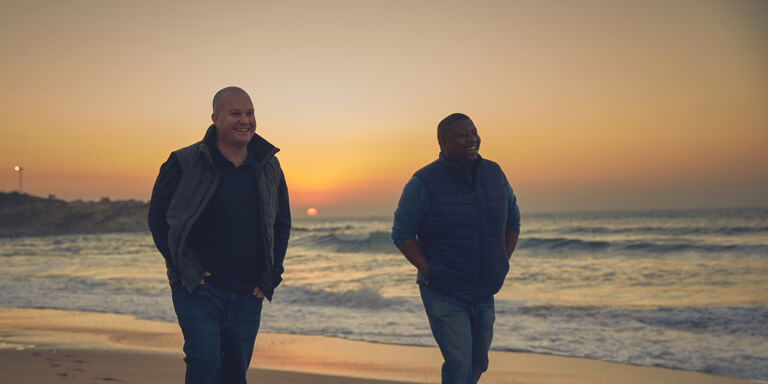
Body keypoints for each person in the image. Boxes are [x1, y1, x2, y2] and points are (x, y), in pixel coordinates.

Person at [148, 86, 291, 384]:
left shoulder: (269, 165)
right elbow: (159, 219)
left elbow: (280, 223)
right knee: (204, 359)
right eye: (235, 113)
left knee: (234, 372)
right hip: (198, 287)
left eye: (250, 113)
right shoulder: (183, 162)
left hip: (248, 291)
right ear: (215, 118)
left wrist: (271, 275)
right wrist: (185, 267)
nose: (245, 120)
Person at [392, 113, 520, 384]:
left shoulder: (494, 174)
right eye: (463, 135)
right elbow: (402, 234)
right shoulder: (423, 182)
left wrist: (502, 260)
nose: (472, 139)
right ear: (443, 143)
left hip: (484, 289)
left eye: (474, 132)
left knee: (478, 362)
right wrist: (432, 271)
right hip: (443, 292)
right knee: (459, 363)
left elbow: (513, 221)